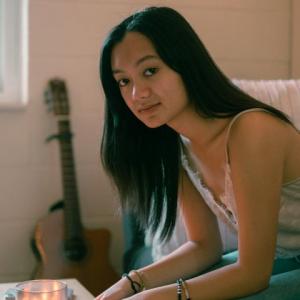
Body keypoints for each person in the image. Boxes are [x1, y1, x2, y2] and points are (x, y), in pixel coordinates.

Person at [97, 6, 300, 300]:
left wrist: (153, 297)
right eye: (124, 81)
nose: (136, 94)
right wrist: (130, 284)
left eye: (150, 71)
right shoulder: (178, 146)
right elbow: (204, 246)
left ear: (186, 64)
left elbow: (253, 274)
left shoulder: (252, 130)